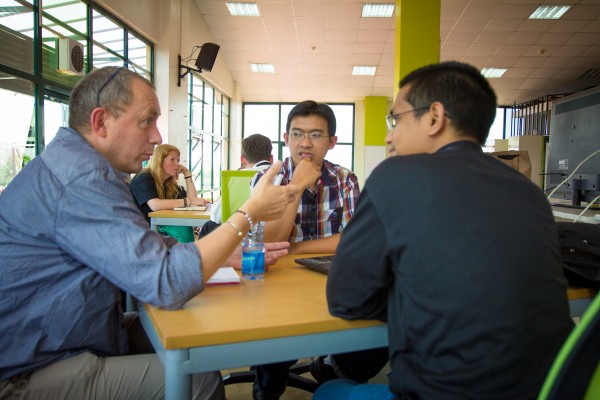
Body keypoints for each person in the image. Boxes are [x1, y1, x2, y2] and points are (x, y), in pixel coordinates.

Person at [0, 66, 298, 400]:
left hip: (66, 334)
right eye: (147, 121)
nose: (157, 136)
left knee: (192, 334)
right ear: (100, 123)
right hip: (28, 369)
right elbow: (166, 281)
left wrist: (224, 255)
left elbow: (141, 243)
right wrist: (248, 213)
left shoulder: (78, 167)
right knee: (198, 380)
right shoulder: (81, 179)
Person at [314, 61, 575, 400]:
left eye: (396, 119)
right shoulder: (529, 191)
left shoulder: (395, 176)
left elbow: (345, 300)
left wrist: (411, 295)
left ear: (434, 117)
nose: (388, 135)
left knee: (329, 392)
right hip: (553, 388)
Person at [251, 101, 387, 400]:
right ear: (285, 138)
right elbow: (269, 242)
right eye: (297, 134)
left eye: (315, 135)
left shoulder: (345, 179)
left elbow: (351, 239)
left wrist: (294, 247)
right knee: (274, 335)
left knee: (377, 322)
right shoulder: (267, 179)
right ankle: (269, 384)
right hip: (277, 281)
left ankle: (333, 369)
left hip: (330, 277)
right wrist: (296, 187)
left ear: (332, 142)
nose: (305, 143)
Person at [129, 143, 207, 242]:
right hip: (139, 229)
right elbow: (155, 205)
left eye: (178, 160)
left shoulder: (170, 184)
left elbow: (193, 202)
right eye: (172, 159)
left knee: (184, 229)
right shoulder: (143, 178)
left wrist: (187, 175)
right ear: (160, 161)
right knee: (183, 231)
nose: (177, 164)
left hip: (159, 225)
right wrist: (189, 201)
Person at [207, 133, 273, 230]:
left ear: (242, 159)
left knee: (208, 226)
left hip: (242, 237)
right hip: (274, 233)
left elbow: (216, 216)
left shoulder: (238, 177)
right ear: (271, 158)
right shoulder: (282, 174)